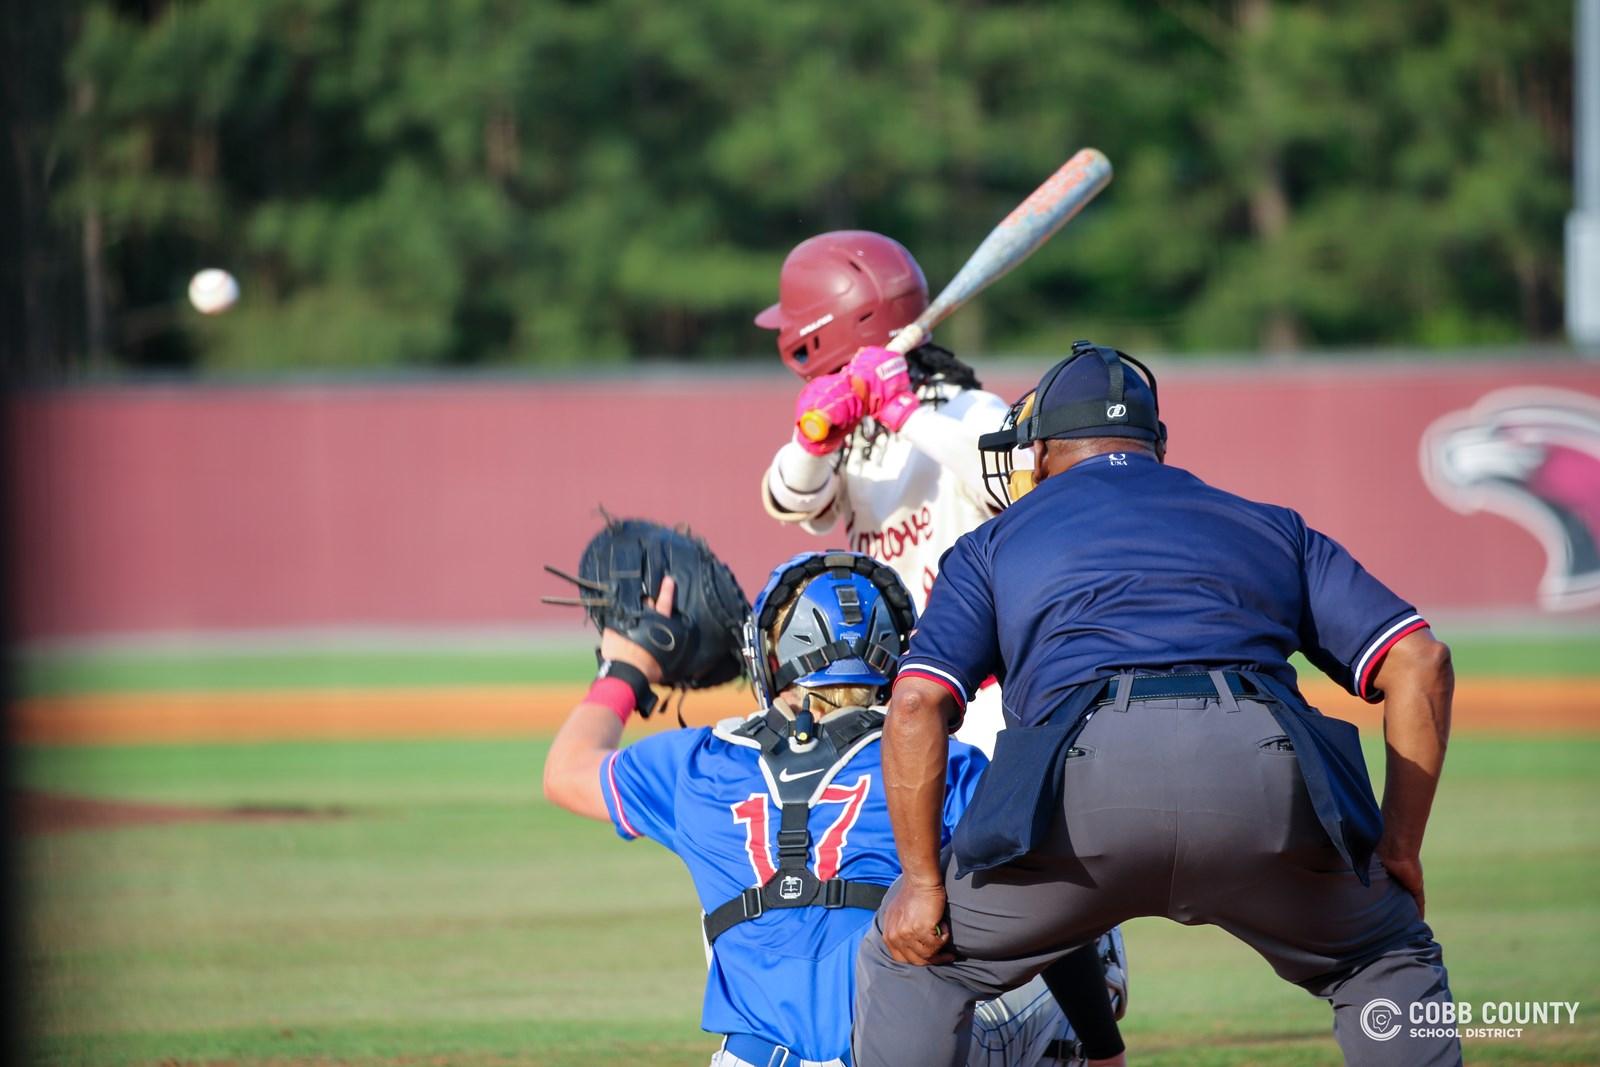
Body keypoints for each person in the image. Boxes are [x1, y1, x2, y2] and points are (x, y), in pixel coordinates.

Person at [851, 340, 1461, 1067]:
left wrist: (922, 887)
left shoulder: (993, 541)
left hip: (1081, 801)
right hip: (1263, 779)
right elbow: (1420, 659)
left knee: (912, 957)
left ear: (1039, 451)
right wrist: (1398, 846)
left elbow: (917, 703)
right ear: (1157, 443)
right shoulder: (1269, 523)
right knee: (1384, 955)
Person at [543, 548, 1129, 1067]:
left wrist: (628, 666)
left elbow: (565, 772)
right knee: (1082, 921)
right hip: (897, 1050)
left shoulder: (696, 764)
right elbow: (1047, 901)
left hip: (751, 1060)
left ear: (769, 656)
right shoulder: (946, 765)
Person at [755, 230, 1011, 754]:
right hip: (883, 693)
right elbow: (790, 501)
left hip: (975, 698)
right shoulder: (856, 431)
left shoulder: (971, 411)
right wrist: (815, 440)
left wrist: (904, 413)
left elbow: (1014, 482)